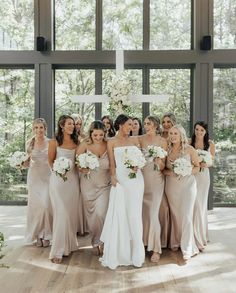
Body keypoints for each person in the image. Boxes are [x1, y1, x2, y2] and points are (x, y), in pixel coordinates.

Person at [100, 114, 145, 269]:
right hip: (120, 179)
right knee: (120, 213)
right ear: (120, 125)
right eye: (128, 125)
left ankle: (136, 254)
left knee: (134, 214)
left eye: (132, 125)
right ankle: (120, 253)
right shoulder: (111, 142)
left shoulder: (135, 140)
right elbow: (112, 163)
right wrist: (113, 176)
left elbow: (141, 159)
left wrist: (138, 165)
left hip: (136, 179)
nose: (131, 127)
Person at [163, 124, 200, 261]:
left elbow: (197, 167)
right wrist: (173, 172)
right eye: (171, 133)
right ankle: (176, 241)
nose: (172, 136)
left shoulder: (190, 149)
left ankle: (187, 248)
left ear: (181, 135)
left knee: (186, 214)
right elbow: (163, 171)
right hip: (172, 186)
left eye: (175, 134)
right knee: (176, 215)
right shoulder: (166, 150)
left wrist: (187, 171)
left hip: (188, 186)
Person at [48, 115, 80, 263]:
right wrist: (58, 170)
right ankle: (58, 250)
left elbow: (78, 161)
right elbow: (50, 161)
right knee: (61, 214)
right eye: (69, 124)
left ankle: (69, 245)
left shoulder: (77, 141)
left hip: (72, 181)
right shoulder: (54, 142)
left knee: (70, 214)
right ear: (62, 125)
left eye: (73, 124)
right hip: (57, 181)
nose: (71, 126)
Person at [76, 121, 110, 255]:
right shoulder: (85, 144)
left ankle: (103, 241)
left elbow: (113, 164)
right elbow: (77, 161)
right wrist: (82, 168)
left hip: (104, 186)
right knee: (92, 216)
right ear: (91, 133)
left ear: (104, 133)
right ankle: (95, 241)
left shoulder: (108, 144)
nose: (98, 137)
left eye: (101, 135)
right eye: (95, 135)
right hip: (88, 185)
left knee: (102, 213)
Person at [139, 116, 167, 263]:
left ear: (156, 125)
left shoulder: (163, 141)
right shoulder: (140, 139)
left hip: (156, 181)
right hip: (141, 181)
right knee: (142, 214)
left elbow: (164, 166)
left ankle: (156, 249)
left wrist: (159, 162)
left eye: (148, 123)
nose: (146, 126)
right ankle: (143, 244)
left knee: (152, 213)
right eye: (144, 124)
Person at [25, 118, 52, 247]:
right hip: (34, 178)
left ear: (45, 129)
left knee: (46, 206)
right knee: (36, 208)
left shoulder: (51, 142)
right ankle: (38, 236)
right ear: (33, 129)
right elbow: (26, 163)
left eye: (41, 127)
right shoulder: (29, 143)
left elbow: (53, 160)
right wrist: (21, 164)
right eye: (36, 128)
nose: (39, 130)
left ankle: (47, 234)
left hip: (47, 178)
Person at [190, 121, 215, 250]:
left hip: (204, 176)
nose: (199, 132)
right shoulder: (190, 142)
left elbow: (212, 161)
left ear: (205, 132)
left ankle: (201, 235)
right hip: (192, 175)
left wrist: (206, 163)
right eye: (197, 129)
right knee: (193, 204)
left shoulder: (210, 144)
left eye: (201, 130)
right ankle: (192, 234)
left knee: (200, 204)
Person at [159, 113, 176, 247]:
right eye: (163, 121)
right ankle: (162, 238)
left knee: (173, 207)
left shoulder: (177, 137)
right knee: (163, 207)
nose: (165, 124)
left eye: (168, 121)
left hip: (173, 178)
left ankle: (173, 238)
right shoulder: (159, 137)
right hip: (159, 176)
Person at [71, 113, 87, 236]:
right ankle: (73, 225)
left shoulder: (84, 136)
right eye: (75, 123)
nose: (77, 126)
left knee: (81, 196)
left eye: (79, 124)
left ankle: (81, 226)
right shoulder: (66, 137)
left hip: (81, 168)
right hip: (70, 168)